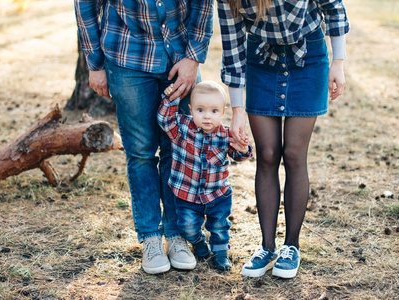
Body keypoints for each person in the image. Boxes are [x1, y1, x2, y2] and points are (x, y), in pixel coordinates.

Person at [74, 0, 214, 274]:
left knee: (178, 150)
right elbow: (86, 5)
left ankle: (177, 235)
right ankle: (150, 237)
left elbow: (204, 4)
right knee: (140, 153)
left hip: (179, 56)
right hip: (128, 57)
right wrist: (94, 63)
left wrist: (194, 57)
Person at [217, 0, 350, 278]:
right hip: (260, 61)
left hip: (309, 58)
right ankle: (267, 247)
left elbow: (334, 8)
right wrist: (237, 112)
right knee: (266, 154)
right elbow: (232, 48)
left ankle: (292, 246)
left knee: (293, 154)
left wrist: (338, 62)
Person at [158, 81, 252, 270]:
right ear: (191, 109)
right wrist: (171, 97)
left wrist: (243, 148)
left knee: (219, 226)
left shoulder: (226, 134)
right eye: (200, 110)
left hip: (217, 194)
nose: (207, 116)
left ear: (222, 112)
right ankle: (199, 242)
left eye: (214, 111)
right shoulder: (181, 129)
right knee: (187, 226)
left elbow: (239, 155)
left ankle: (221, 253)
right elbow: (164, 118)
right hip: (187, 194)